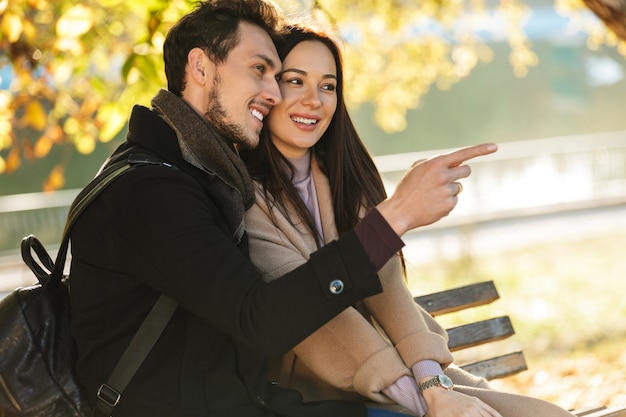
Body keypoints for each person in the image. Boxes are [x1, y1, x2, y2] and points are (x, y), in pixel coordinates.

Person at [67, 1, 496, 417]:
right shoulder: (150, 190)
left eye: (278, 77)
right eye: (259, 70)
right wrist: (396, 216)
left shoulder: (199, 175)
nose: (272, 93)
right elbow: (263, 320)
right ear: (200, 67)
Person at [241, 22, 577, 417]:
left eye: (328, 86)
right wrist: (429, 402)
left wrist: (436, 385)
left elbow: (388, 290)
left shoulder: (346, 182)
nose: (314, 100)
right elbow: (320, 325)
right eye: (295, 81)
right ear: (267, 90)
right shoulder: (247, 200)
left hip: (405, 375)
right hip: (320, 398)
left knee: (546, 413)